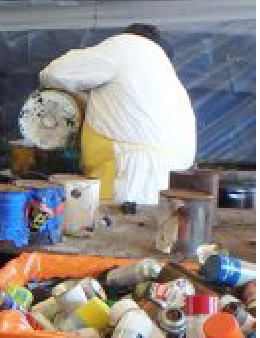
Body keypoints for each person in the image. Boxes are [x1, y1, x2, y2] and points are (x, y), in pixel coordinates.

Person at [39, 23, 196, 205]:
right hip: (170, 182)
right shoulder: (162, 75)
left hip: (132, 175)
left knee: (112, 223)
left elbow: (56, 73)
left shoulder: (127, 46)